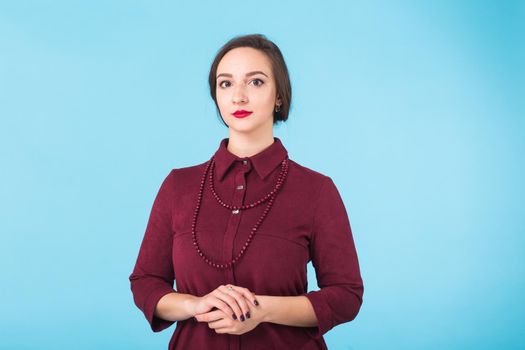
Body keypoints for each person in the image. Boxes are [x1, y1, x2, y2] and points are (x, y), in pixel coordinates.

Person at [129, 33, 364, 350]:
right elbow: (146, 282)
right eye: (226, 84)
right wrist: (194, 306)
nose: (238, 96)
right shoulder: (178, 186)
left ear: (278, 95)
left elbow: (346, 295)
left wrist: (264, 310)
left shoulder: (316, 190)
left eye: (255, 82)